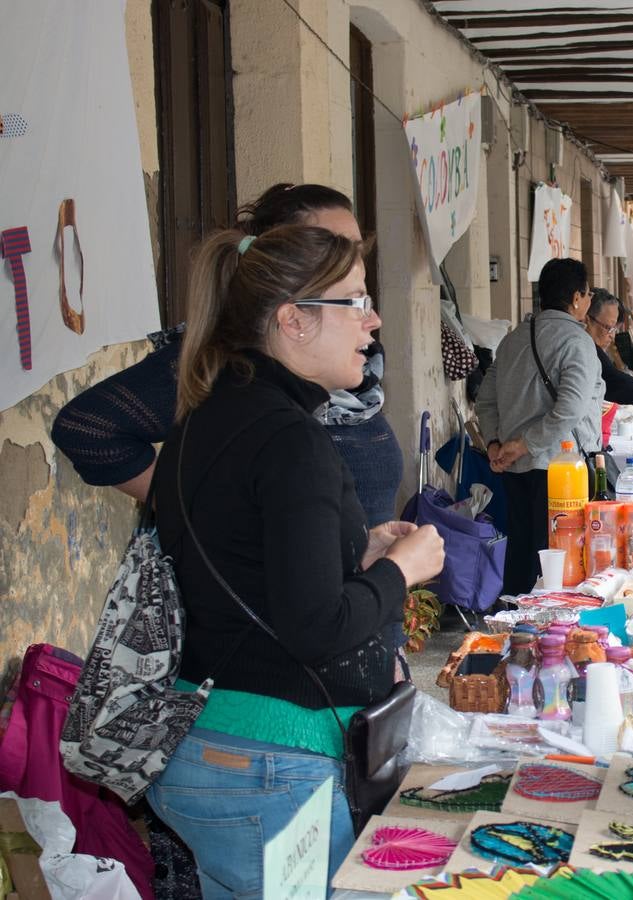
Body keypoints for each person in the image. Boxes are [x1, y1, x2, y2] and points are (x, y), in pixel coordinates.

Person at [147, 225, 445, 897]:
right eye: (355, 300)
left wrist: (359, 551)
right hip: (270, 763)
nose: (372, 321)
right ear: (294, 320)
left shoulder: (207, 418)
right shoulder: (289, 438)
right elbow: (315, 625)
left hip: (212, 745)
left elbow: (242, 561)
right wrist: (403, 570)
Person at [51, 184, 403, 526]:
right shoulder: (231, 366)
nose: (348, 260)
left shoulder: (357, 365)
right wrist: (200, 510)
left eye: (354, 248)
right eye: (327, 245)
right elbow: (88, 427)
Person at [477, 257, 604, 595]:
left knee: (522, 555)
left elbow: (484, 401)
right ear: (576, 298)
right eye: (588, 294)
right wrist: (523, 445)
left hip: (515, 467)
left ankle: (517, 629)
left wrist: (495, 445)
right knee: (560, 563)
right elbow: (569, 411)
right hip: (562, 470)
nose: (589, 301)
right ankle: (552, 635)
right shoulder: (577, 342)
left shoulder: (513, 339)